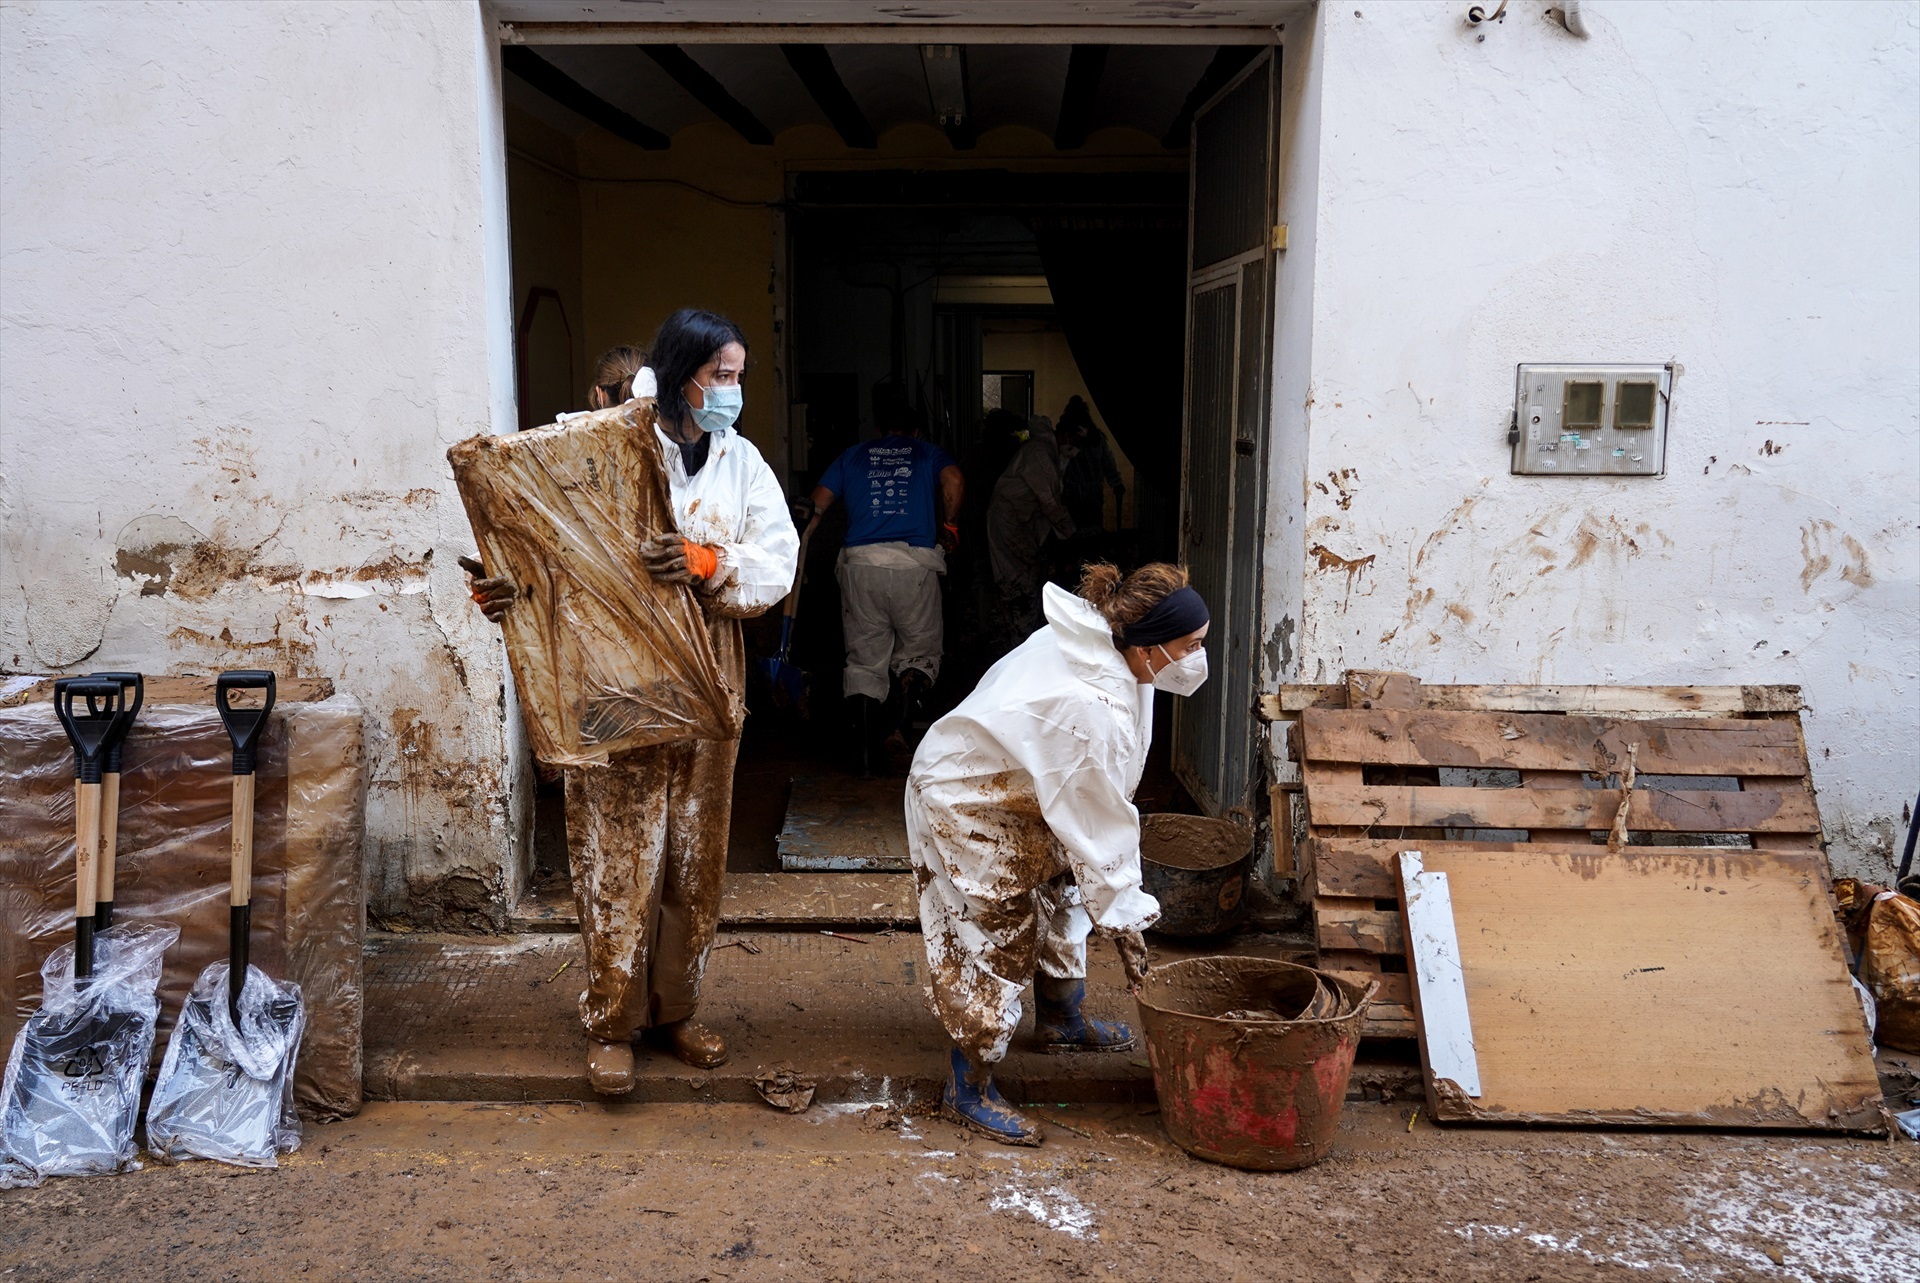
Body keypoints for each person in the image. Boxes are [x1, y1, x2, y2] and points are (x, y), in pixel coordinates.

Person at [463, 319, 798, 1095]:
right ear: (682, 372)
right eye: (721, 373)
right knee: (617, 854)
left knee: (693, 850)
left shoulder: (741, 463)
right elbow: (531, 530)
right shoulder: (599, 445)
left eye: (738, 374)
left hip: (708, 664)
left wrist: (711, 560)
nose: (731, 390)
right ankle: (612, 1021)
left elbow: (777, 558)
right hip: (610, 672)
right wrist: (502, 583)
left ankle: (675, 1010)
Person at [905, 561, 1210, 1145]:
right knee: (999, 933)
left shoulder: (1115, 646)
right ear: (1148, 647)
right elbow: (1097, 829)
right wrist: (1128, 914)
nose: (1198, 657)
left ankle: (1064, 1019)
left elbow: (1094, 812)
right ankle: (969, 1085)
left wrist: (1106, 887)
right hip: (966, 798)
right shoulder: (1087, 703)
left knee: (1067, 891)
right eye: (1190, 645)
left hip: (1030, 786)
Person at [805, 382, 964, 773]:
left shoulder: (853, 455)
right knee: (919, 654)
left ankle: (863, 757)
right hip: (914, 567)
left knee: (864, 662)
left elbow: (819, 501)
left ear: (879, 432)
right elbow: (955, 482)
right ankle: (898, 729)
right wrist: (950, 526)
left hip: (860, 567)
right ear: (916, 433)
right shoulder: (927, 452)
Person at [984, 414, 1074, 652]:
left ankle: (1019, 636)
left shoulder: (1044, 453)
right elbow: (1050, 501)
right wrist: (1070, 531)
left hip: (1017, 521)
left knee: (1023, 578)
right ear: (1062, 435)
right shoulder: (1039, 453)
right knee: (1019, 582)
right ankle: (1019, 640)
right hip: (1009, 521)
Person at [1057, 396, 1125, 536]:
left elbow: (1107, 462)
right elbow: (1108, 463)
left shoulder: (1095, 438)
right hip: (1074, 494)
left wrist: (1117, 483)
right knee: (1078, 533)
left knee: (1087, 532)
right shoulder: (1067, 438)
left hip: (1086, 494)